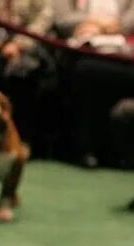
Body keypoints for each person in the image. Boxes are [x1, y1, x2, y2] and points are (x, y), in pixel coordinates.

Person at [0, 0, 57, 150]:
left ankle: (21, 139)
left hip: (28, 47)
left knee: (24, 76)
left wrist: (19, 44)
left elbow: (43, 19)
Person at [52, 0, 134, 166]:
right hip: (81, 51)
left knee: (100, 73)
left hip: (123, 52)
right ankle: (86, 148)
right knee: (87, 70)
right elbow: (62, 19)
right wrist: (89, 22)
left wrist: (111, 26)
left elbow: (130, 18)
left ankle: (109, 150)